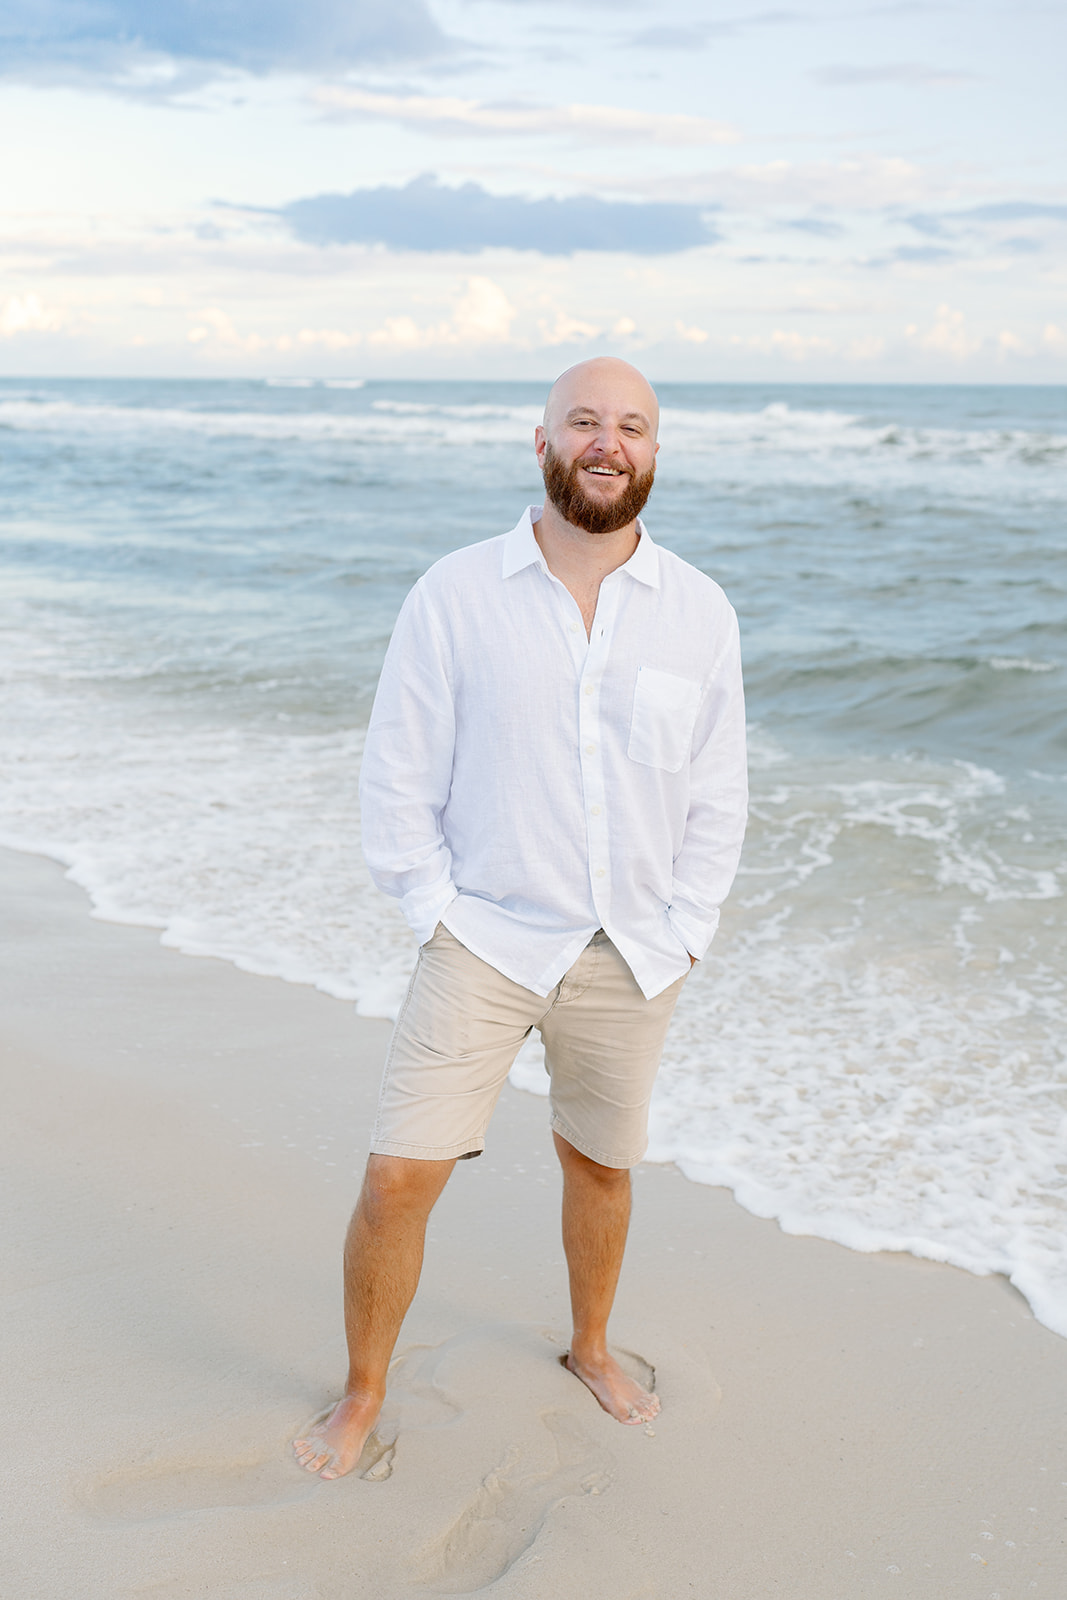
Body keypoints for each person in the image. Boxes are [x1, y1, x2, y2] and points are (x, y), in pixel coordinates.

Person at [293, 357, 748, 1480]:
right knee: (400, 1175)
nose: (607, 442)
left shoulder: (697, 610)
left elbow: (717, 786)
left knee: (599, 1164)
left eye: (630, 426)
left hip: (635, 950)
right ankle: (361, 1393)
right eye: (583, 421)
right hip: (483, 941)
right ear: (539, 441)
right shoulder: (455, 592)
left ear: (653, 451)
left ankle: (589, 1347)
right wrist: (434, 910)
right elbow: (397, 770)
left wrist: (687, 923)